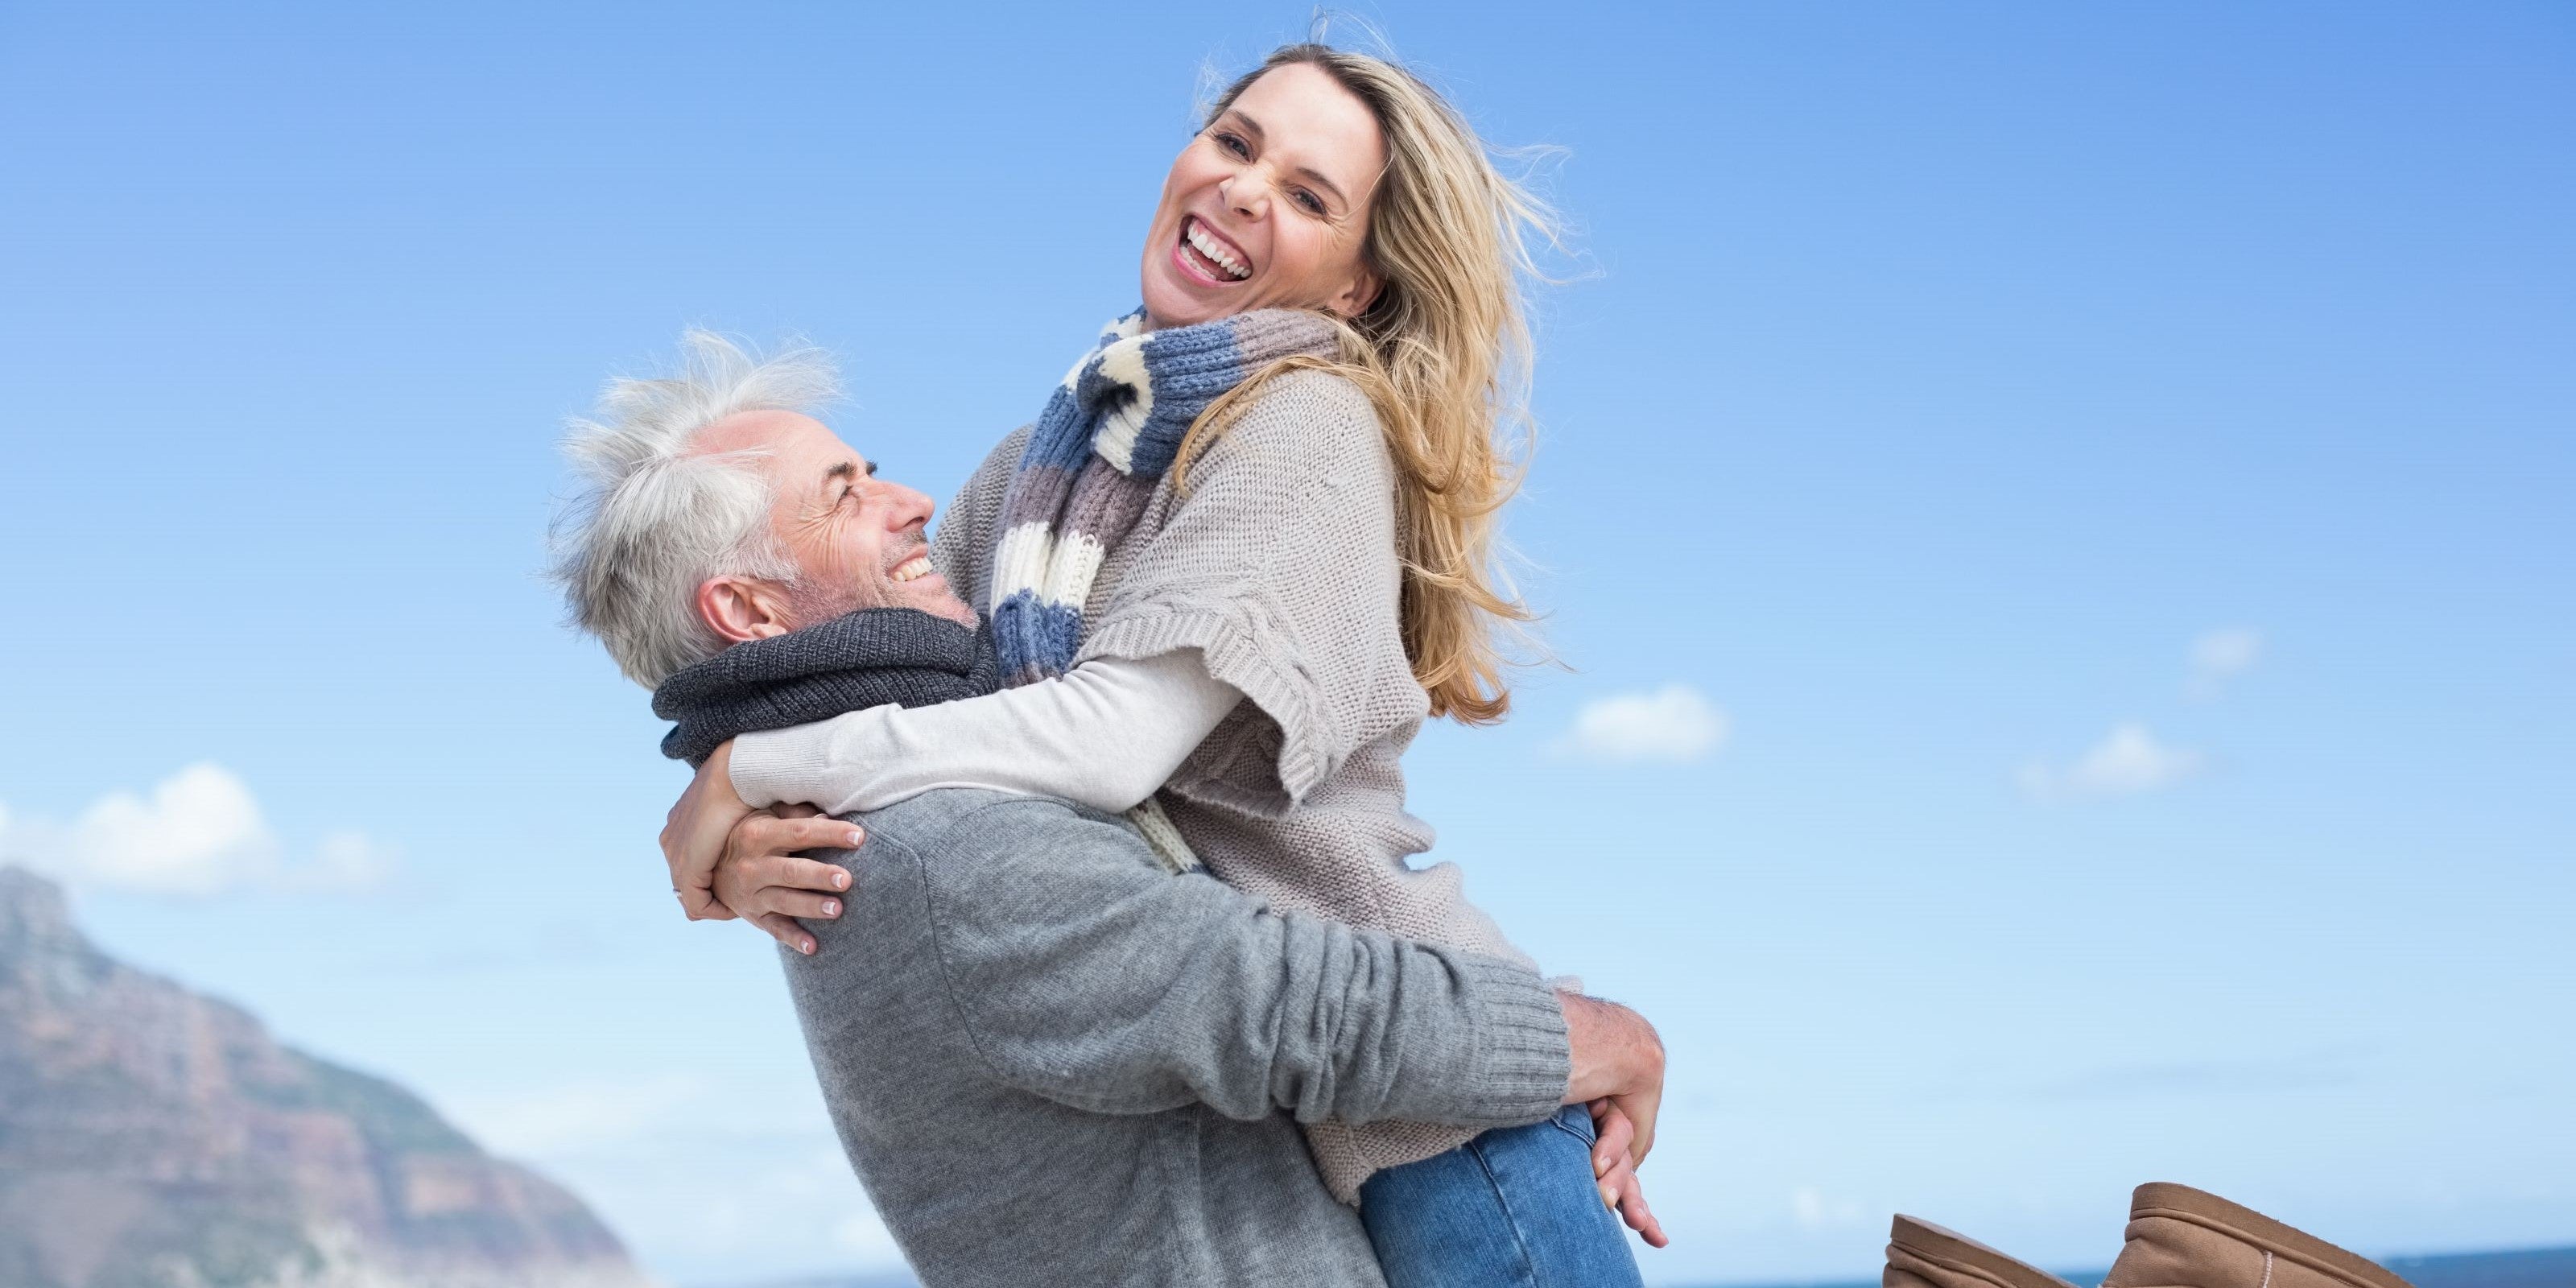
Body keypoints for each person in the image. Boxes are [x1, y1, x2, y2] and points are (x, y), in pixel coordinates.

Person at [657, 43, 1671, 1282]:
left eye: (1310, 196)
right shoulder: (1052, 457)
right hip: (1300, 1099)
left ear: (1354, 289)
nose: (1248, 190)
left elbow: (1102, 745)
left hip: (1439, 1123)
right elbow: (905, 682)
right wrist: (758, 833)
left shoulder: (1303, 426)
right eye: (1238, 143)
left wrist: (756, 771)